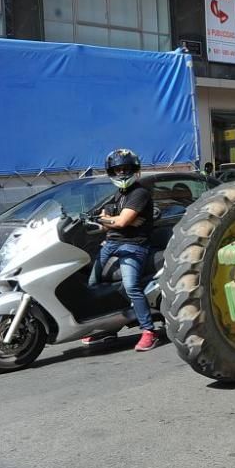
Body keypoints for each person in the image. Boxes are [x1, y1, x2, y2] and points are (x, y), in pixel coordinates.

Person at [84, 149, 159, 351]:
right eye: (117, 170)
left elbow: (121, 221)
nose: (122, 173)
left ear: (135, 170)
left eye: (126, 169)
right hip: (110, 244)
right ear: (111, 173)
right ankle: (108, 328)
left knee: (130, 286)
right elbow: (108, 222)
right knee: (93, 285)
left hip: (134, 245)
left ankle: (148, 331)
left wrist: (110, 220)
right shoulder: (118, 195)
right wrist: (105, 221)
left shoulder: (139, 193)